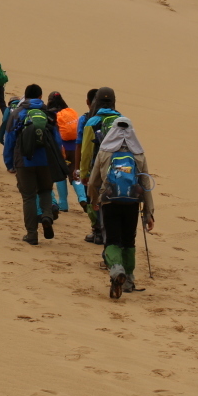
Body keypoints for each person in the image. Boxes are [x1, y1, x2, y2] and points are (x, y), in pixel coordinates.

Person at [87, 117, 155, 298]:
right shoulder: (138, 154)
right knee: (128, 241)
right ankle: (129, 280)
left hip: (109, 202)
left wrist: (94, 200)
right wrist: (149, 212)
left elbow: (94, 181)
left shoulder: (105, 151)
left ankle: (116, 269)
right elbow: (146, 183)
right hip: (132, 203)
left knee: (112, 240)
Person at [3, 84, 69, 246]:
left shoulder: (18, 113)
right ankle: (47, 215)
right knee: (45, 190)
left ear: (25, 97)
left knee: (28, 197)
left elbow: (9, 139)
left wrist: (9, 163)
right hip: (46, 160)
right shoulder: (48, 113)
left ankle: (31, 234)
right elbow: (57, 140)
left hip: (24, 161)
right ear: (40, 97)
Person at [79, 87, 121, 244]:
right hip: (119, 169)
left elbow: (87, 151)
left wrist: (84, 173)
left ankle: (97, 232)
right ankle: (111, 233)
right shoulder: (122, 120)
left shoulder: (93, 121)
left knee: (95, 200)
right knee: (113, 201)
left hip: (98, 168)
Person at [46, 92, 88, 212]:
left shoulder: (51, 115)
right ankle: (82, 198)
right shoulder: (70, 112)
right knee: (75, 173)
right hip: (75, 148)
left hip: (60, 148)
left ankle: (63, 204)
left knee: (59, 175)